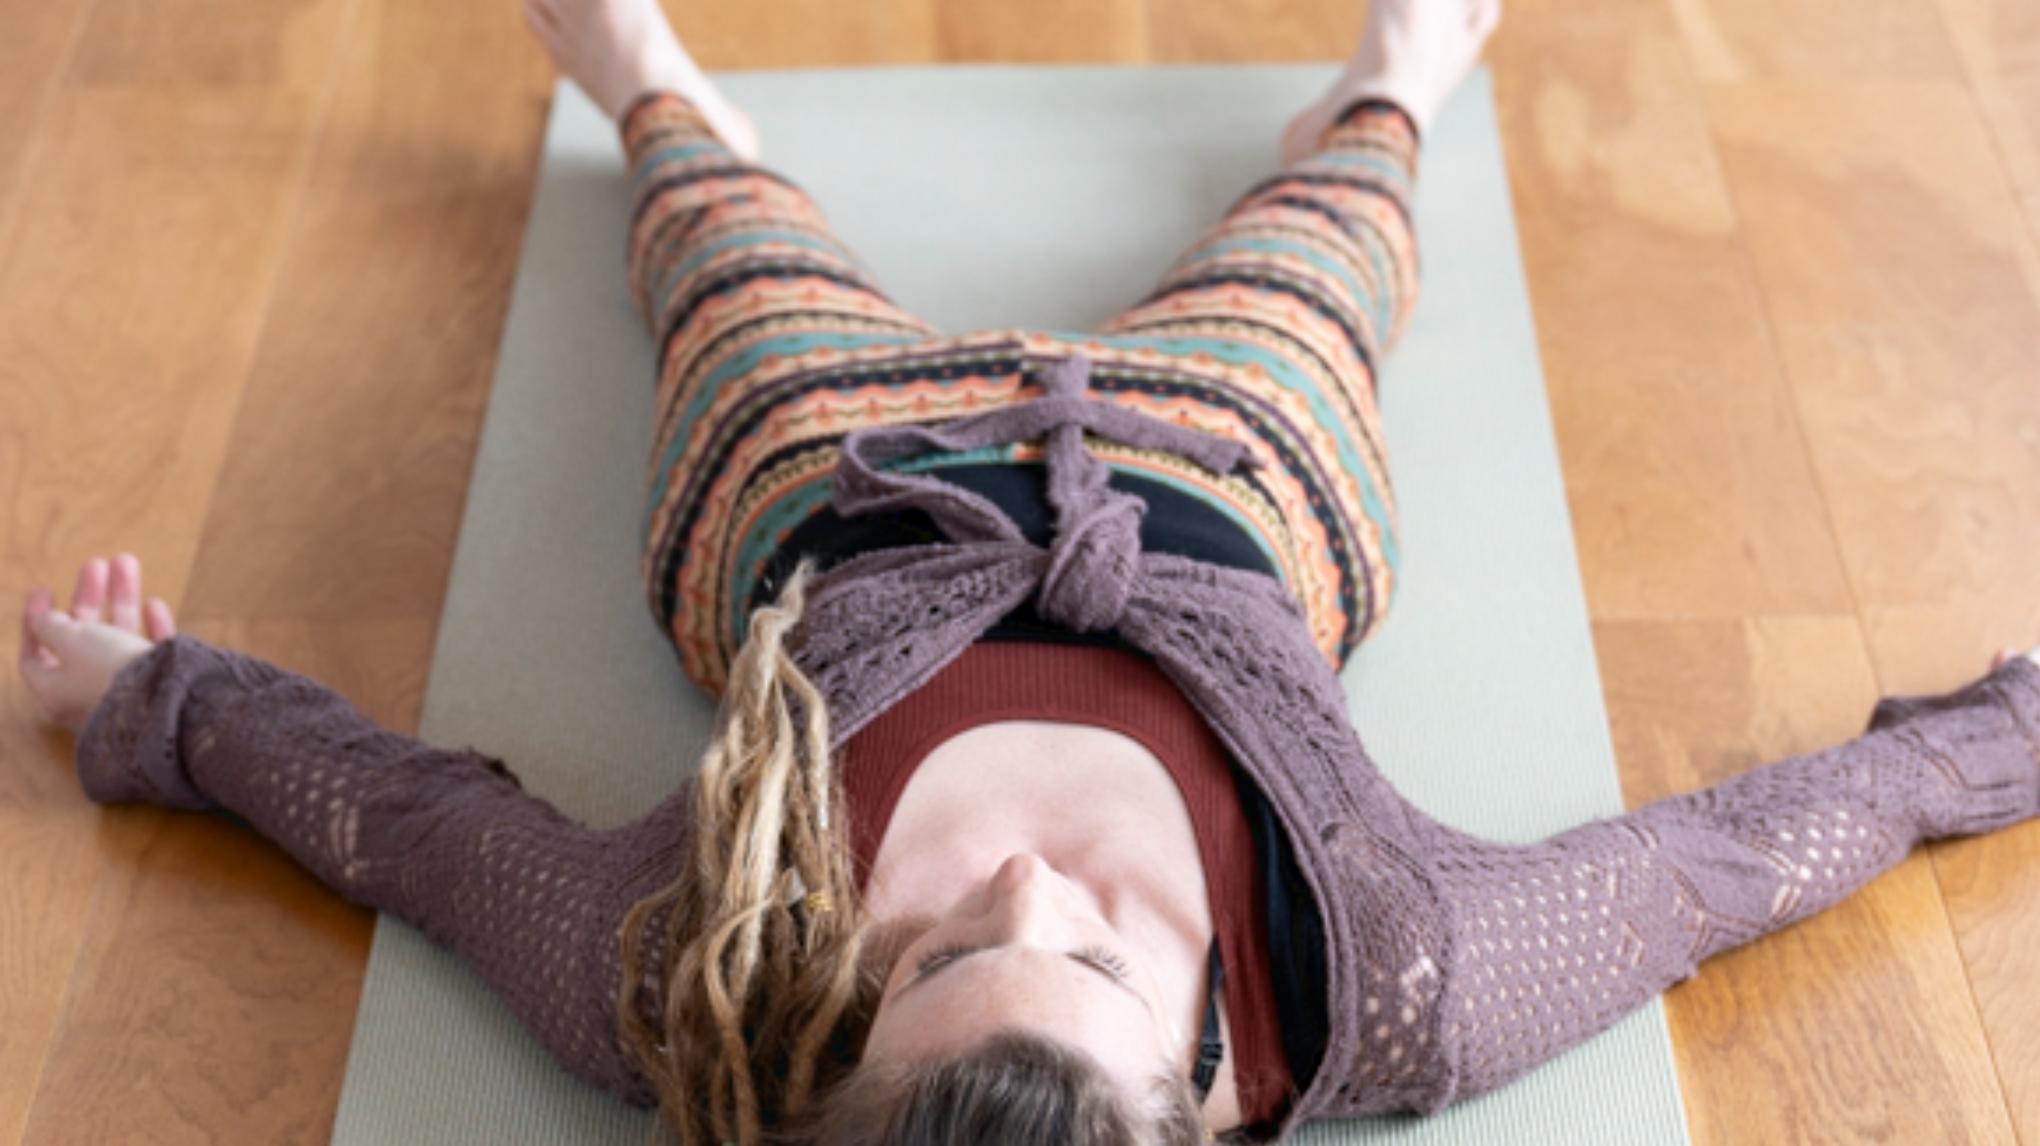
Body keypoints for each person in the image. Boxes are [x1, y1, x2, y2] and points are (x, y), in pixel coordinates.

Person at [15, 0, 2040, 1142]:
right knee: (1326, 268)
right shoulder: (1404, 972)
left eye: (918, 959)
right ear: (1208, 1082)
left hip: (833, 480)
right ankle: (1398, 80)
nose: (1020, 885)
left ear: (824, 1055)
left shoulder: (689, 972)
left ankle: (653, 90)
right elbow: (1714, 870)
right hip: (1219, 474)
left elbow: (423, 834)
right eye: (1098, 960)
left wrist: (160, 708)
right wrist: (2004, 735)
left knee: (730, 280)